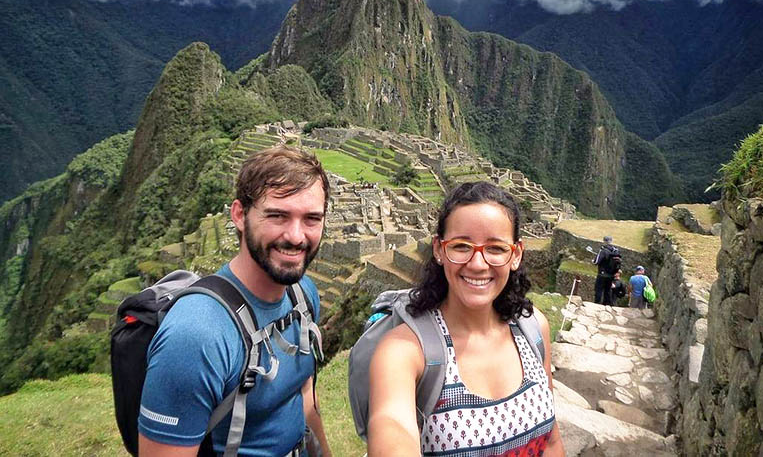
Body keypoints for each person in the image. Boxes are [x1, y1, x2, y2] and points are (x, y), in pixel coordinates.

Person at [138, 146, 332, 457]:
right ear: (240, 215)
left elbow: (305, 395)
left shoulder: (303, 295)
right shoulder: (197, 337)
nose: (296, 236)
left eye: (311, 219)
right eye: (278, 216)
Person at [367, 182, 565, 456]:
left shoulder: (532, 328)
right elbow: (392, 426)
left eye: (495, 248)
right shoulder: (404, 352)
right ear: (438, 249)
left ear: (516, 254)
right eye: (461, 246)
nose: (477, 264)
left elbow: (551, 443)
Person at [593, 235, 620, 305]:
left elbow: (596, 262)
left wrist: (593, 260)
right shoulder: (615, 251)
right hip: (611, 275)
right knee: (607, 290)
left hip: (602, 274)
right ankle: (606, 304)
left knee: (599, 289)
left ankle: (597, 304)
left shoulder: (603, 250)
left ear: (604, 241)